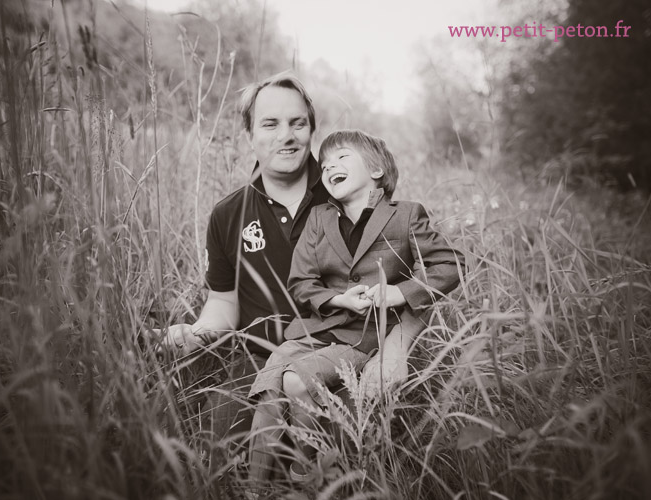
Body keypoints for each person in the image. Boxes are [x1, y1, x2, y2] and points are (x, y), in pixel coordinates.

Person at [247, 129, 465, 484]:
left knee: (296, 382)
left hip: (359, 339)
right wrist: (337, 298)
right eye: (326, 162)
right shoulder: (319, 218)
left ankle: (304, 474)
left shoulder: (405, 215)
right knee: (270, 384)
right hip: (313, 330)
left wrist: (399, 293)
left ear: (376, 168)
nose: (330, 164)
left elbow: (450, 264)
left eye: (342, 157)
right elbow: (300, 282)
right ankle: (253, 486)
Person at [150, 71, 329, 438]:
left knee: (345, 455)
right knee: (218, 440)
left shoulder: (344, 198)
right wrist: (195, 333)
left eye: (298, 123)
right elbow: (223, 303)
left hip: (335, 359)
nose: (286, 135)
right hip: (256, 361)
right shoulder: (228, 214)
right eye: (270, 124)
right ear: (250, 137)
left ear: (311, 130)